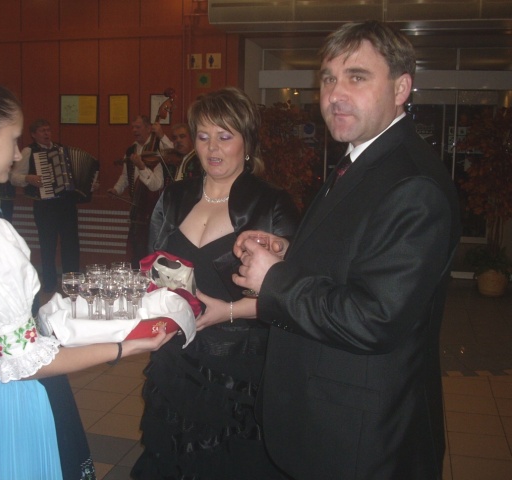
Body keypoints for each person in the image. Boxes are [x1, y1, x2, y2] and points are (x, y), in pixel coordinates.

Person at [0, 77, 174, 480]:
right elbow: (25, 362)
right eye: (13, 139)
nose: (18, 154)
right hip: (8, 396)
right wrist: (127, 345)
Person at [233, 20, 461, 479]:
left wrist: (275, 278)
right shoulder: (362, 159)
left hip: (363, 440)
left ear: (401, 88)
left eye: (356, 77)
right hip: (328, 422)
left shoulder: (413, 184)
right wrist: (290, 253)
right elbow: (357, 254)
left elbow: (374, 317)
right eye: (328, 78)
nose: (335, 94)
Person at [131, 87, 300, 480]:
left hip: (238, 368)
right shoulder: (175, 196)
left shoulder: (272, 203)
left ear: (247, 142)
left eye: (225, 136)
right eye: (204, 136)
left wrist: (229, 311)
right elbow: (150, 271)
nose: (213, 148)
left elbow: (293, 296)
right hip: (175, 356)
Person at [10, 119, 80, 292]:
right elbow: (14, 177)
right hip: (44, 206)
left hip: (66, 204)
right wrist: (28, 178)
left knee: (71, 245)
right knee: (47, 245)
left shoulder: (61, 150)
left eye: (48, 130)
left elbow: (73, 176)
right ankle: (49, 283)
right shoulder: (29, 151)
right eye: (42, 131)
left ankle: (71, 283)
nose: (47, 133)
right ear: (33, 134)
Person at [108, 115, 173, 268]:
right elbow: (126, 175)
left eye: (138, 127)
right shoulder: (131, 149)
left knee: (151, 247)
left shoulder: (158, 146)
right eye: (133, 127)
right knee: (136, 250)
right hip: (138, 206)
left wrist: (161, 135)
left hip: (154, 205)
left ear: (149, 128)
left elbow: (174, 153)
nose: (134, 130)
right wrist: (116, 189)